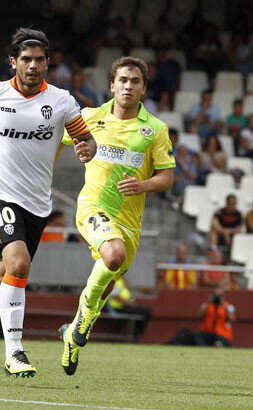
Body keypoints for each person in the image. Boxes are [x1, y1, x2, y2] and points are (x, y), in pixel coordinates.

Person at [0, 28, 96, 378]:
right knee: (19, 263)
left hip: (38, 204)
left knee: (1, 276)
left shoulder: (61, 101)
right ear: (13, 62)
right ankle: (15, 352)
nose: (32, 65)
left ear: (47, 63)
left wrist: (89, 148)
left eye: (39, 59)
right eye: (25, 59)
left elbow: (84, 138)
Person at [58, 56, 175, 376]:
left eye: (135, 81)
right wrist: (76, 150)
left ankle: (75, 329)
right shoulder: (89, 117)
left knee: (109, 272)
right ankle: (83, 320)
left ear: (143, 89)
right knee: (114, 254)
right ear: (112, 85)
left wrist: (144, 184)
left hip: (129, 221)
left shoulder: (155, 130)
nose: (128, 86)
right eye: (122, 80)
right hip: (93, 207)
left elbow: (166, 177)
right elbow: (58, 137)